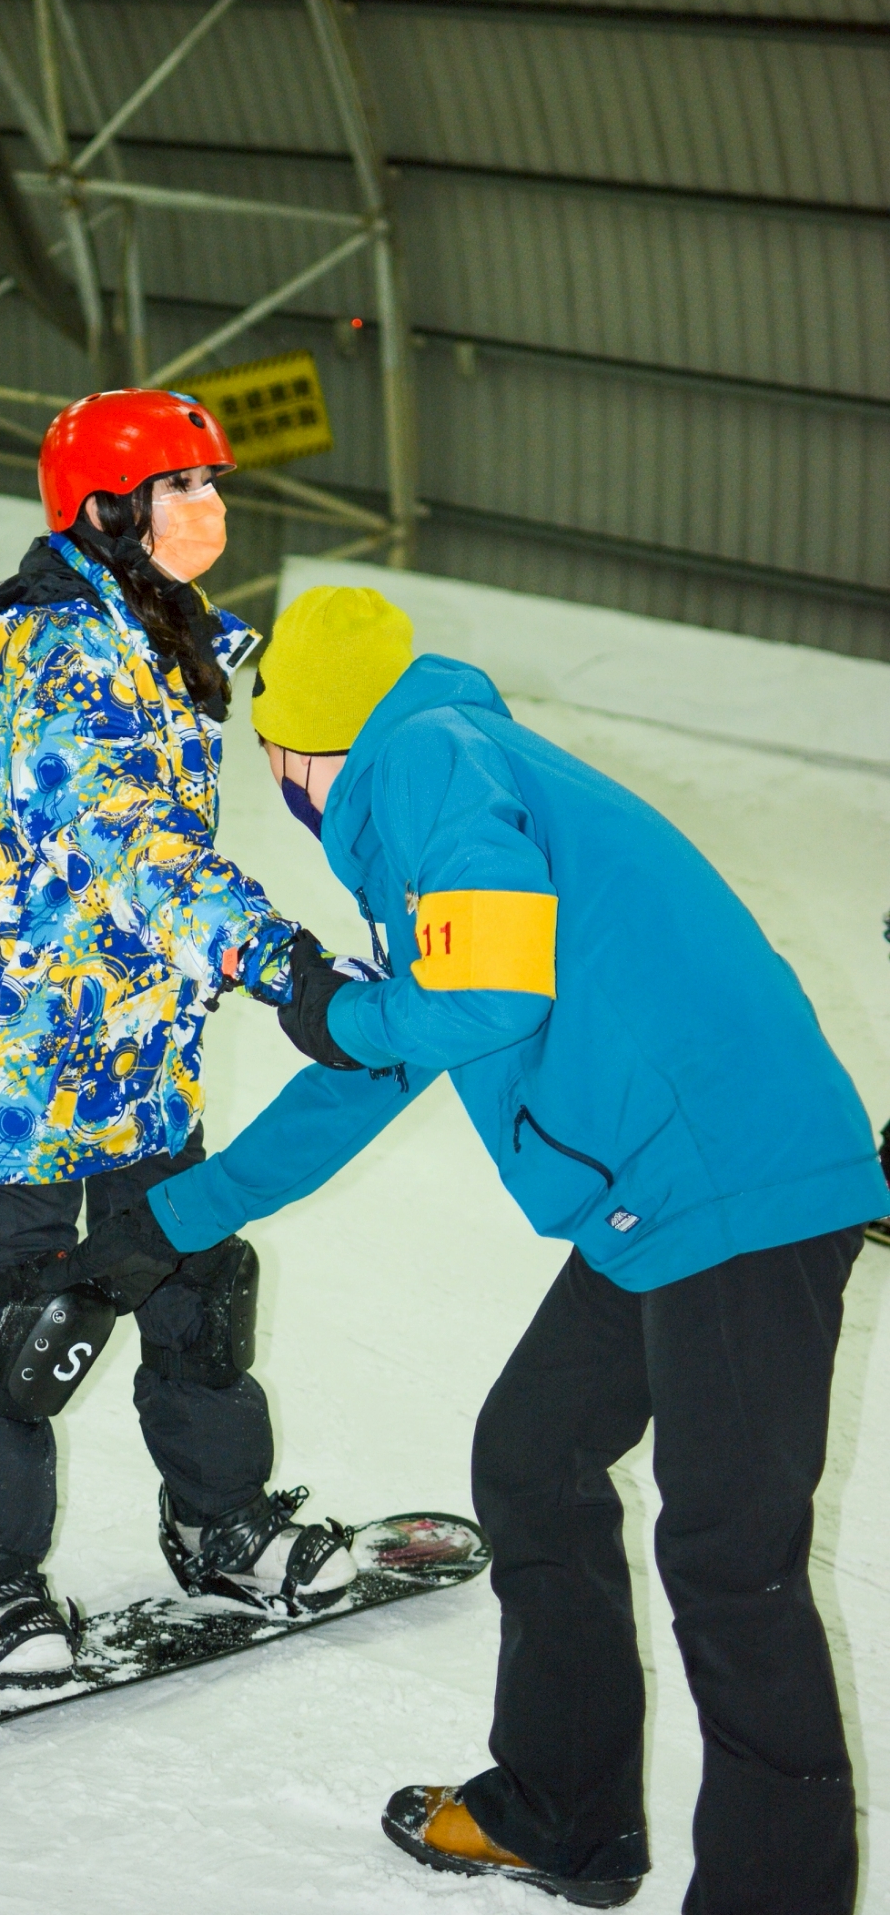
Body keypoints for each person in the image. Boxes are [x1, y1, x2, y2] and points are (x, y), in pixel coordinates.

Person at [59, 585, 888, 1911]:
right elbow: (389, 1053)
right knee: (533, 1454)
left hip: (734, 1190)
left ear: (296, 749)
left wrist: (348, 1016)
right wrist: (169, 1223)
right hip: (663, 1194)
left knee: (729, 1559)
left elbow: (459, 1005)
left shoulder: (427, 767)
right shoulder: (442, 783)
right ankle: (563, 1815)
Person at [0, 397, 357, 1694]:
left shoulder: (166, 639)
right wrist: (284, 968)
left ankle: (221, 1525)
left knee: (194, 1280)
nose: (213, 506)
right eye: (180, 484)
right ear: (108, 511)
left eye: (215, 480)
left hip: (132, 1041)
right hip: (10, 1046)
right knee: (36, 1313)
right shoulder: (64, 658)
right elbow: (132, 850)